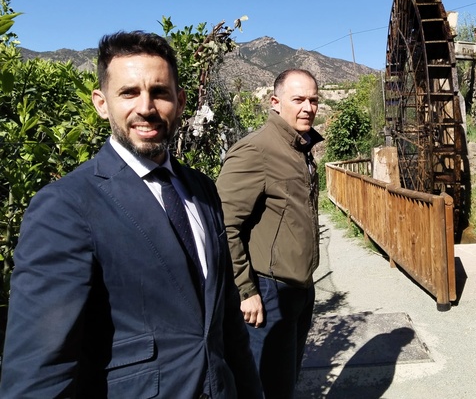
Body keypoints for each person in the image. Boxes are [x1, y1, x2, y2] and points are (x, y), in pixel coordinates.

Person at [0, 31, 263, 398]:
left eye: (159, 92)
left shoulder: (203, 190)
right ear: (101, 103)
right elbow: (42, 368)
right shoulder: (64, 206)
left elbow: (227, 327)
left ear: (180, 101)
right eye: (129, 93)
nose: (146, 107)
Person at [216, 68, 323, 399]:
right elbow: (223, 224)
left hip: (300, 291)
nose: (308, 107)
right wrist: (246, 290)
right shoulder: (257, 150)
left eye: (314, 100)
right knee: (265, 388)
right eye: (299, 99)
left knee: (285, 381)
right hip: (268, 293)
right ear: (276, 102)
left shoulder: (298, 147)